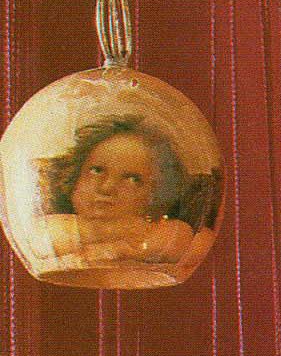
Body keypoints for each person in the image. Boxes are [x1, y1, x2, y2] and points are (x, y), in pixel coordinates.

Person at [36, 117, 204, 273]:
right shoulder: (56, 226)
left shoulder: (163, 230)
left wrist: (118, 251)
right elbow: (40, 242)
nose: (107, 187)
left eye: (132, 179)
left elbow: (187, 241)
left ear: (157, 194)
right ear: (75, 178)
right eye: (97, 170)